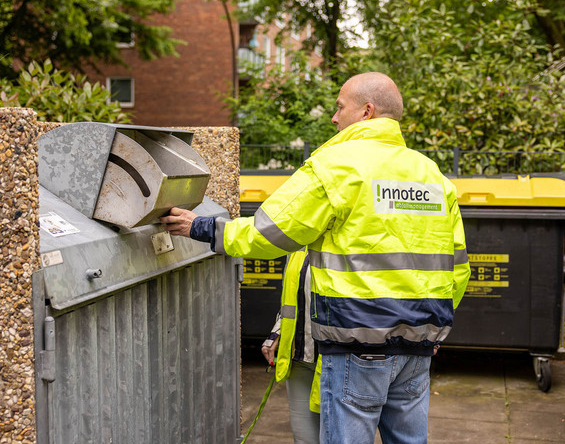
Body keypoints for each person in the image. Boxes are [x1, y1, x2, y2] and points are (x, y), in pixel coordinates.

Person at [160, 71, 471, 444]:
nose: (334, 118)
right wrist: (431, 331)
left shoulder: (336, 165)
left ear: (366, 111)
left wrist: (204, 228)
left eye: (341, 107)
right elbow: (458, 269)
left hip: (358, 345)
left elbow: (269, 233)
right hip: (418, 347)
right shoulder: (431, 175)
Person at [262, 248, 320, 444]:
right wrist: (278, 332)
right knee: (304, 439)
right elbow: (291, 297)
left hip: (339, 363)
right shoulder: (299, 243)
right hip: (300, 358)